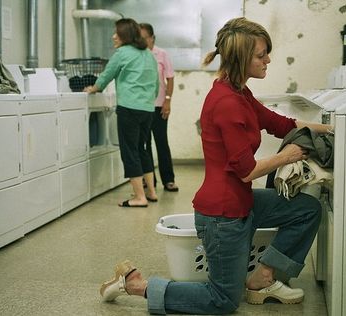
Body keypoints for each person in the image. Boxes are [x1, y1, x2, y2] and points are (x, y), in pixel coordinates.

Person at [98, 17, 332, 314]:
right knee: (222, 300)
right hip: (223, 216)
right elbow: (246, 170)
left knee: (307, 209)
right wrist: (288, 156)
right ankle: (136, 286)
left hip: (242, 201)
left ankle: (263, 278)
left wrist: (331, 128)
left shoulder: (239, 93)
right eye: (261, 55)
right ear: (241, 58)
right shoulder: (226, 102)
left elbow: (279, 123)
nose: (268, 59)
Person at [84, 18, 159, 207]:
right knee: (142, 149)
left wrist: (94, 88)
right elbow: (156, 84)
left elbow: (107, 75)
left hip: (129, 109)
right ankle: (151, 192)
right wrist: (148, 100)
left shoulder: (122, 53)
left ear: (125, 35)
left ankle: (139, 197)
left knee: (129, 151)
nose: (113, 36)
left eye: (117, 33)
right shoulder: (148, 54)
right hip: (147, 109)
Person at [139, 23, 179, 192]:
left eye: (144, 37)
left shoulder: (162, 54)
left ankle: (168, 180)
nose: (140, 41)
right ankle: (149, 180)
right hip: (142, 107)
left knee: (161, 142)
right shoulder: (137, 54)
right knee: (144, 144)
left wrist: (167, 101)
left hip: (159, 107)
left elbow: (169, 78)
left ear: (152, 38)